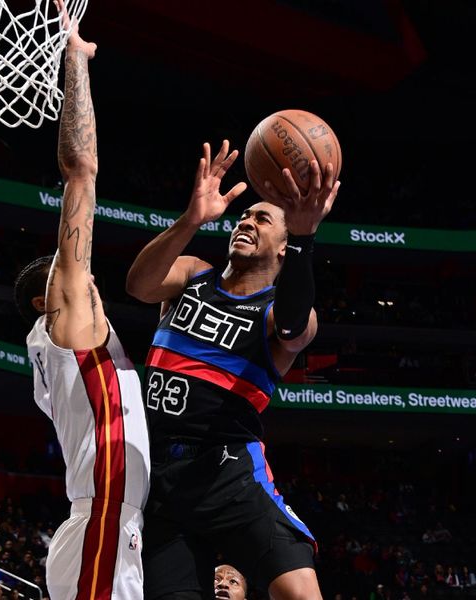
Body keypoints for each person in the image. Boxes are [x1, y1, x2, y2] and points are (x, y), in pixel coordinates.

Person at [127, 140, 340, 599]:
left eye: (262, 219)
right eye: (244, 216)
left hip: (227, 471)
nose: (246, 221)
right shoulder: (190, 275)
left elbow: (293, 327)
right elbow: (138, 285)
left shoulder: (273, 312)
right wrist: (190, 220)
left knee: (300, 594)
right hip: (158, 477)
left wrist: (304, 237)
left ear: (284, 249)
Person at [14, 4, 149, 598]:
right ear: (56, 300)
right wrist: (76, 59)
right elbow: (80, 171)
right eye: (80, 280)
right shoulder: (67, 324)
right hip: (101, 523)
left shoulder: (71, 347)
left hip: (109, 526)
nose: (92, 283)